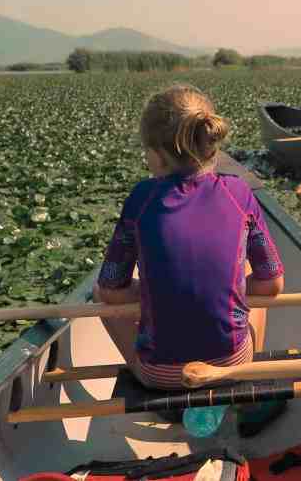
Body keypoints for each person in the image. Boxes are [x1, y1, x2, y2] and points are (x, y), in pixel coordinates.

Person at [94, 85, 285, 392]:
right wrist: (227, 291)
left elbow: (110, 288)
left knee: (95, 292)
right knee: (252, 277)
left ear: (158, 155)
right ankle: (247, 380)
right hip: (232, 364)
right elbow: (273, 283)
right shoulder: (239, 193)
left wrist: (155, 293)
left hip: (160, 375)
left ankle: (153, 368)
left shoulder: (141, 199)